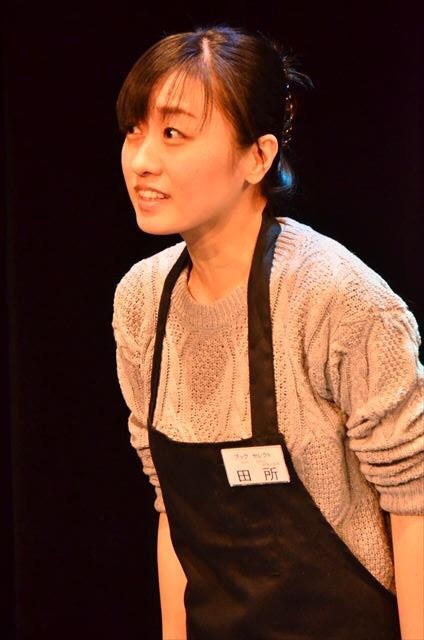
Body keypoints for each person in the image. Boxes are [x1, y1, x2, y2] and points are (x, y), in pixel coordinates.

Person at [112, 25, 423, 640]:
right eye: (134, 129)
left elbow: (416, 505)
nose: (142, 160)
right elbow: (172, 508)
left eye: (173, 133)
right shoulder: (142, 301)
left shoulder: (336, 299)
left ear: (258, 156)